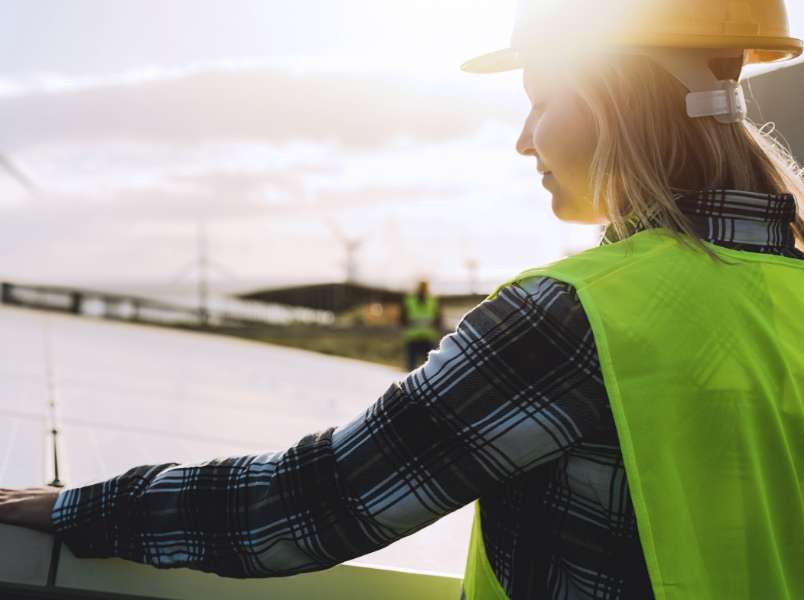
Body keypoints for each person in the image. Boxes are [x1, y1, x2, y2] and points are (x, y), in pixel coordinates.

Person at [2, 1, 804, 598]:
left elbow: (315, 502)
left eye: (542, 101)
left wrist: (85, 505)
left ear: (618, 98)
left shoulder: (574, 317)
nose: (524, 139)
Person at [401, 279, 442, 371]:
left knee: (429, 367)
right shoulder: (410, 301)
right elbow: (402, 318)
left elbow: (438, 319)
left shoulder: (432, 301)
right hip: (413, 337)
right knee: (412, 367)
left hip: (427, 337)